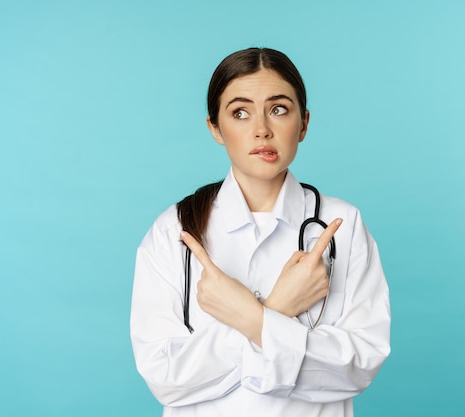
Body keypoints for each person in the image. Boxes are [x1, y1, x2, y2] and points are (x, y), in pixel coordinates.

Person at [130, 47, 391, 417]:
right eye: (240, 112)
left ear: (303, 124)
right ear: (215, 128)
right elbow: (165, 378)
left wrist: (251, 320)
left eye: (279, 109)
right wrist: (279, 310)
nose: (261, 129)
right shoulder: (174, 230)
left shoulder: (342, 225)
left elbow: (358, 366)